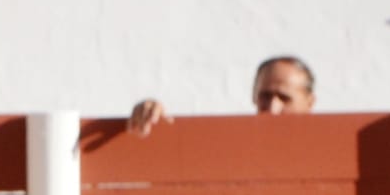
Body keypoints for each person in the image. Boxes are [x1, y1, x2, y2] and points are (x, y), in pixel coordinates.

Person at [127, 55, 316, 137]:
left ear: (310, 102)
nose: (273, 108)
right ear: (253, 96)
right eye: (265, 96)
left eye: (284, 98)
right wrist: (152, 120)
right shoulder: (233, 146)